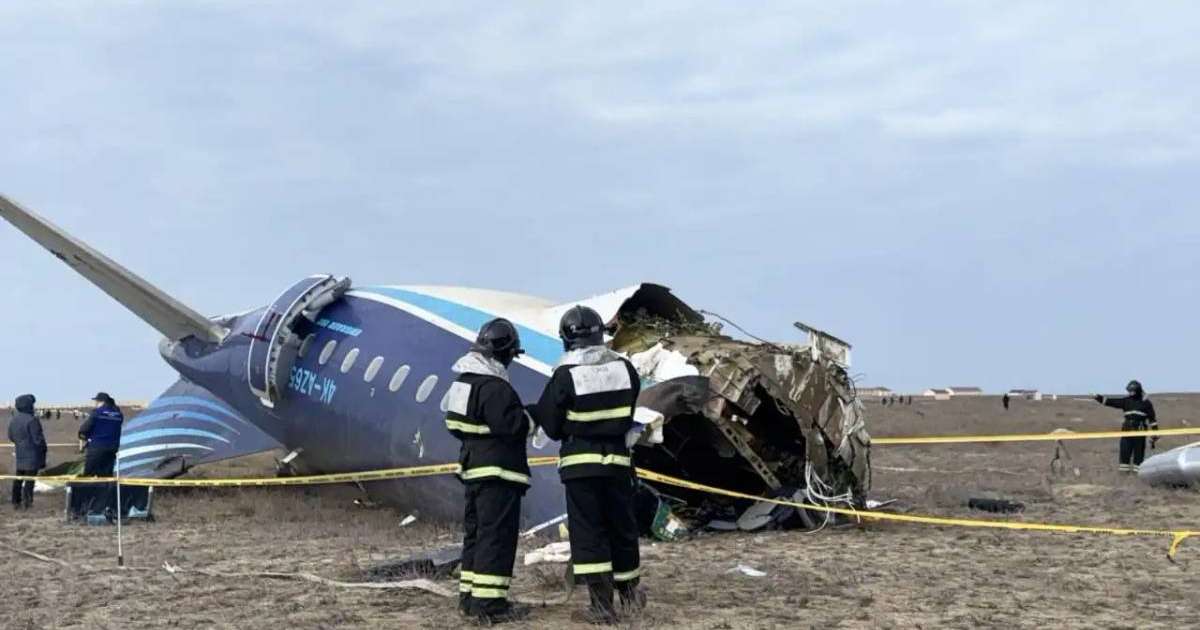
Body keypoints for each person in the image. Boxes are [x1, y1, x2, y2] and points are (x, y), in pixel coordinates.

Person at [530, 306, 644, 624]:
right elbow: (629, 411)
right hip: (618, 464)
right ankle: (631, 595)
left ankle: (602, 606)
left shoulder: (565, 375)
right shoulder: (626, 369)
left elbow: (550, 425)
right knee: (622, 529)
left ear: (567, 340)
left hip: (582, 468)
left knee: (590, 533)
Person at [445, 319, 532, 624]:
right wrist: (530, 417)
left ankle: (469, 599)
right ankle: (490, 605)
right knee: (497, 537)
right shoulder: (495, 387)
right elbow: (512, 426)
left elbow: (453, 425)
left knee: (477, 535)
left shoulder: (462, 383)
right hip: (498, 474)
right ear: (505, 353)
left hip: (472, 471)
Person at [74, 392, 124, 516]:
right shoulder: (118, 414)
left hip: (96, 449)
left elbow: (84, 430)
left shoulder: (97, 413)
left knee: (89, 478)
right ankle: (103, 507)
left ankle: (84, 508)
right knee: (106, 479)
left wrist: (86, 437)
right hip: (112, 450)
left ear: (101, 402)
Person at [1093, 380, 1158, 473]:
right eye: (1129, 391)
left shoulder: (1146, 403)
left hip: (1140, 432)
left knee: (1138, 455)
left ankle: (1138, 475)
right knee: (1124, 453)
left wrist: (1155, 433)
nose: (1130, 393)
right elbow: (1111, 402)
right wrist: (1098, 397)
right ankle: (1124, 475)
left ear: (1138, 390)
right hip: (1126, 432)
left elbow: (1152, 420)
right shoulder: (1126, 401)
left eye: (1133, 391)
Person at [7, 394, 47, 510]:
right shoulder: (32, 420)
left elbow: (11, 436)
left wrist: (20, 444)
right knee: (29, 481)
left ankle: (15, 501)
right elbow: (38, 440)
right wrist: (43, 451)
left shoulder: (14, 420)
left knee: (18, 479)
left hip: (20, 454)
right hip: (32, 455)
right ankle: (27, 503)